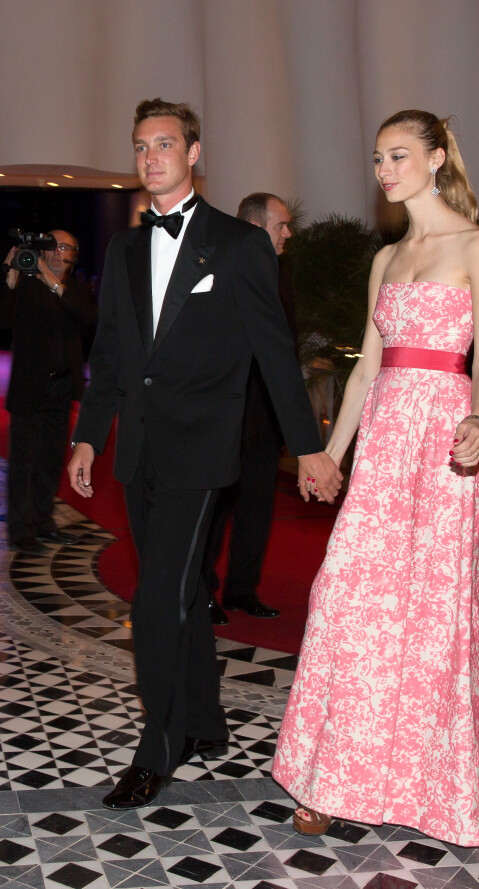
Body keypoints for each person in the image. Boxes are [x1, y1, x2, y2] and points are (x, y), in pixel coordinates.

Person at [67, 98, 342, 811]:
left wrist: (308, 448)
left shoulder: (239, 243)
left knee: (156, 594)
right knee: (182, 590)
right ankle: (206, 717)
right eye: (140, 146)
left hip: (201, 451)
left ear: (194, 152)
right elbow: (113, 359)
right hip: (140, 452)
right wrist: (90, 435)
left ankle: (157, 746)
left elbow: (276, 356)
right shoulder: (125, 248)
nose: (151, 156)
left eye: (164, 144)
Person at [272, 109, 479, 848]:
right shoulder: (387, 259)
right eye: (377, 158)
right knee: (348, 599)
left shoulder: (477, 246)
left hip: (445, 441)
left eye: (398, 155)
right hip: (383, 444)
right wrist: (332, 452)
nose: (384, 169)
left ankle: (425, 786)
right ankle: (330, 776)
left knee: (430, 618)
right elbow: (368, 366)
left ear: (437, 159)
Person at [203, 193, 294, 625]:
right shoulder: (220, 267)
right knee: (215, 510)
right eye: (281, 226)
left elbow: (284, 351)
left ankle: (243, 589)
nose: (288, 234)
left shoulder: (282, 274)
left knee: (257, 510)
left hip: (263, 419)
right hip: (225, 416)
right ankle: (202, 591)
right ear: (257, 227)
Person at [0, 231, 96, 556]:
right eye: (51, 246)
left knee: (51, 461)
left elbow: (88, 317)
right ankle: (21, 532)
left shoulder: (77, 289)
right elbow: (4, 317)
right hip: (29, 389)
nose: (56, 252)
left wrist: (53, 282)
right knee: (23, 464)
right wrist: (9, 274)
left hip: (62, 388)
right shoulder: (25, 285)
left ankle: (43, 523)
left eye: (64, 247)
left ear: (74, 255)